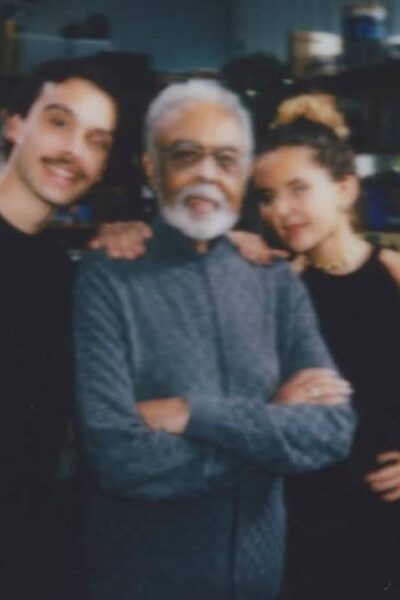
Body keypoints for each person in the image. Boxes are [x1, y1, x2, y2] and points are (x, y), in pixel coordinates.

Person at [74, 79, 355, 600]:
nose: (208, 174)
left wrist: (194, 414)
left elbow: (332, 430)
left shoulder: (273, 279)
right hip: (142, 585)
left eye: (227, 159)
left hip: (259, 582)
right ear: (152, 167)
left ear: (244, 175)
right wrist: (271, 423)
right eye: (186, 155)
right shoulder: (107, 278)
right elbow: (119, 459)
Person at [249, 94, 400, 599]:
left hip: (388, 521)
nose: (280, 210)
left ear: (345, 188)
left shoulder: (394, 273)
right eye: (267, 196)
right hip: (304, 521)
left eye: (298, 189)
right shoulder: (278, 289)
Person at [0, 54, 121, 599]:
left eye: (97, 141)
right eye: (58, 122)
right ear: (13, 124)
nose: (75, 151)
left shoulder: (60, 271)